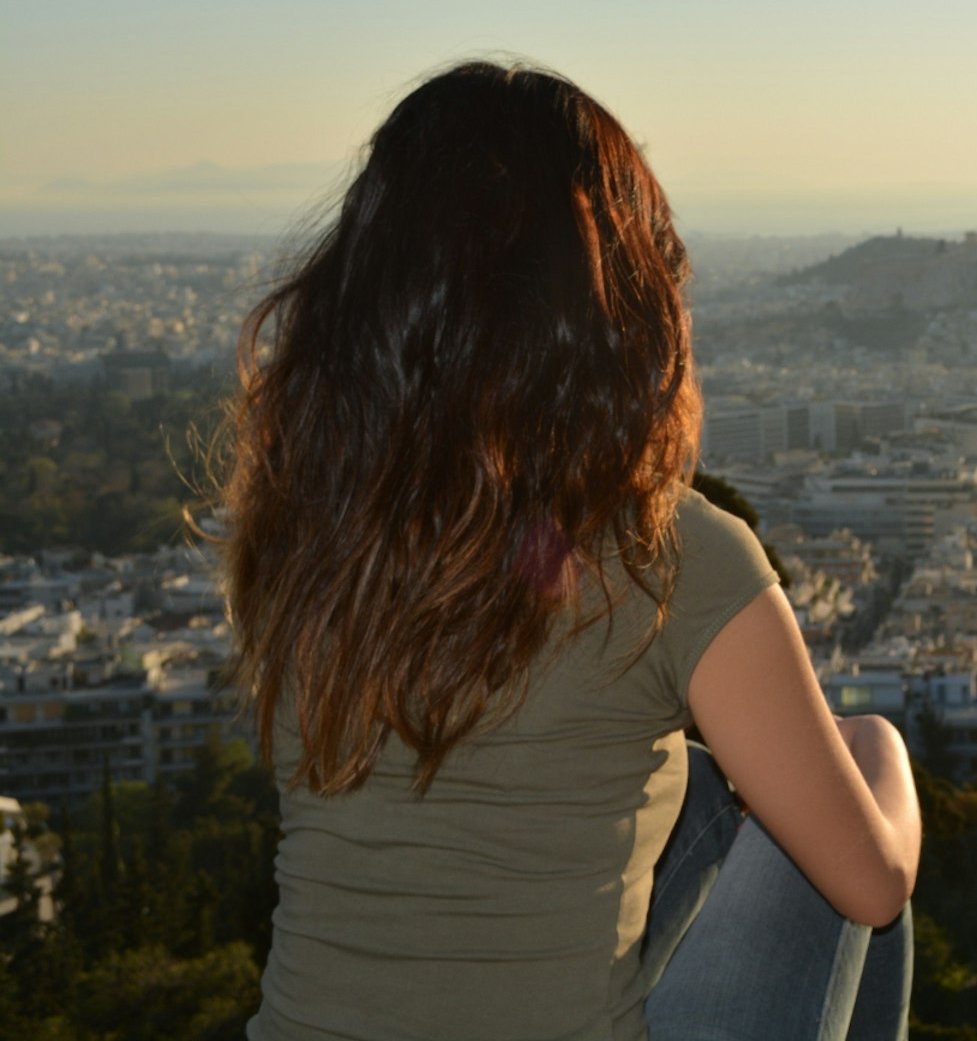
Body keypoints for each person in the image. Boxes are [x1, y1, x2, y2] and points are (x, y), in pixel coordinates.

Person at [221, 61, 920, 1040]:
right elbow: (871, 884)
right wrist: (878, 750)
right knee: (844, 838)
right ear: (615, 295)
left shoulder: (304, 539)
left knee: (702, 782)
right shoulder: (670, 560)